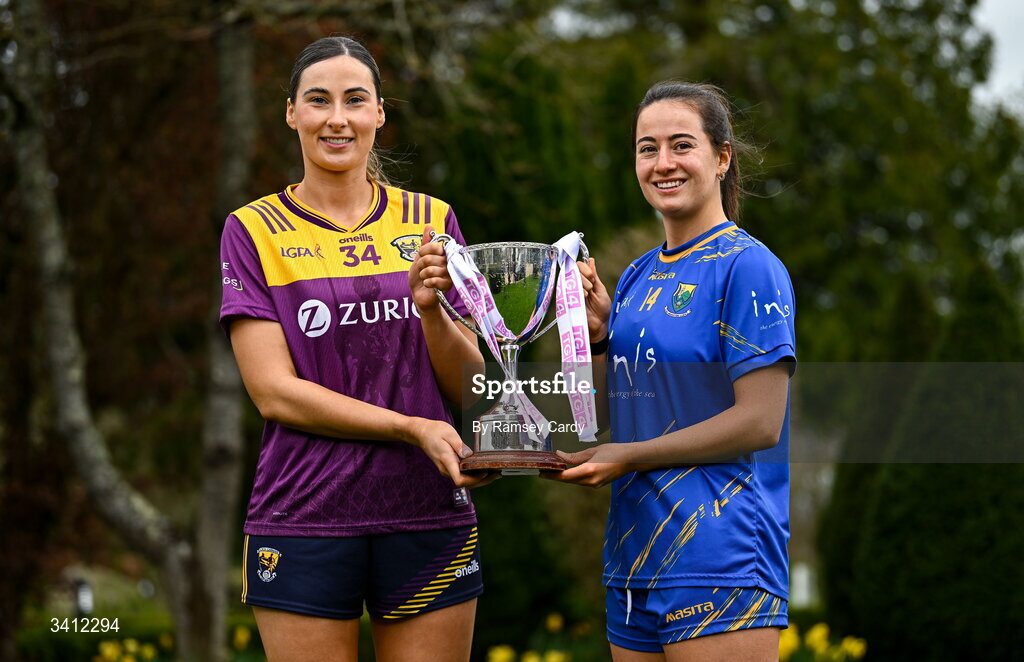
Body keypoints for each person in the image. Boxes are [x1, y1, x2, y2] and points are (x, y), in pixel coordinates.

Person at [219, 36, 490, 662]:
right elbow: (274, 392)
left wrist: (430, 314)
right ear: (292, 113)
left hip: (429, 511)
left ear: (379, 114)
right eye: (318, 100)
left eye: (354, 100)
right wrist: (409, 426)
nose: (337, 118)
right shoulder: (253, 229)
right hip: (304, 514)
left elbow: (472, 384)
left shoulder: (432, 219)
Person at [548, 81, 796, 661]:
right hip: (634, 561)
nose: (662, 164)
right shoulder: (634, 276)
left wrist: (627, 456)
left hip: (723, 558)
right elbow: (600, 417)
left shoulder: (749, 267)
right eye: (646, 148)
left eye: (681, 145)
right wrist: (601, 336)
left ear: (722, 155)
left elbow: (760, 423)